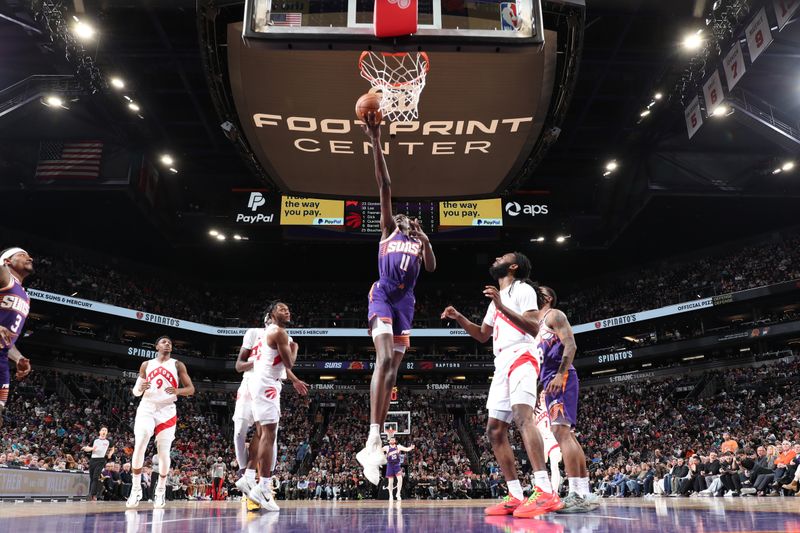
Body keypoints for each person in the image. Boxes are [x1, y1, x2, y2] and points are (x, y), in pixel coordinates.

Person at [441, 252, 560, 519]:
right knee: (494, 430)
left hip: (523, 355)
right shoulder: (496, 299)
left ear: (514, 266)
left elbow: (532, 328)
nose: (496, 258)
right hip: (502, 361)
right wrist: (459, 317)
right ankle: (515, 495)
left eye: (503, 257)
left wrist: (501, 305)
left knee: (522, 417)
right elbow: (482, 335)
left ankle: (544, 490)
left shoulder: (524, 289)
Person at [357, 111, 436, 486]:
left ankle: (372, 444)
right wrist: (375, 138)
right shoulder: (388, 231)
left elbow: (433, 268)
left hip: (407, 303)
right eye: (401, 217)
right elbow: (385, 184)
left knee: (392, 374)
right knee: (385, 358)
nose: (403, 218)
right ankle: (373, 437)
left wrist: (425, 238)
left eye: (408, 219)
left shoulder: (419, 245)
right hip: (383, 294)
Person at [535, 285, 598, 513]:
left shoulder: (554, 315)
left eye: (539, 290)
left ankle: (575, 494)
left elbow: (570, 344)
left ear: (548, 297)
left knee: (562, 433)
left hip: (561, 378)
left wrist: (560, 374)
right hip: (550, 382)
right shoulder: (536, 325)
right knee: (566, 434)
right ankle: (584, 492)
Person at [127, 335, 195, 509]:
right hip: (147, 407)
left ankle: (160, 490)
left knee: (163, 452)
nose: (168, 344)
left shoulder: (177, 364)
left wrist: (178, 391)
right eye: (164, 342)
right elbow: (135, 391)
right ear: (156, 346)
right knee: (140, 444)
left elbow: (191, 389)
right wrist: (139, 388)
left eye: (170, 343)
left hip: (167, 410)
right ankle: (135, 489)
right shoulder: (146, 364)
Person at [247, 301, 299, 512]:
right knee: (269, 435)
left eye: (288, 308)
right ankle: (264, 486)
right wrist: (295, 348)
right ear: (271, 314)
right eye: (281, 308)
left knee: (263, 433)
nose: (286, 310)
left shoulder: (265, 332)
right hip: (267, 384)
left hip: (260, 382)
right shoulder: (278, 332)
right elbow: (289, 364)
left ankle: (254, 479)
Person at [0, 247, 34, 427]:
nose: (30, 258)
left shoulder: (26, 297)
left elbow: (8, 339)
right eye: (22, 255)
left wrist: (18, 357)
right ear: (7, 262)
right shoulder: (5, 277)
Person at [534, 392, 563, 494]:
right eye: (540, 394)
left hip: (552, 438)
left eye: (544, 394)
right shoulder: (535, 410)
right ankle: (542, 490)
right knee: (539, 467)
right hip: (541, 440)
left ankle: (554, 492)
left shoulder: (552, 406)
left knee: (554, 465)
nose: (542, 396)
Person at [82, 426, 115, 501]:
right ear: (100, 432)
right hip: (93, 459)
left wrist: (110, 454)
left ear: (106, 433)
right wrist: (92, 449)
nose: (104, 431)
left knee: (95, 477)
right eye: (103, 430)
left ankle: (91, 494)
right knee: (92, 477)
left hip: (101, 460)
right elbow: (87, 448)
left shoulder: (108, 441)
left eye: (105, 430)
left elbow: (112, 448)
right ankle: (93, 494)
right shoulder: (95, 440)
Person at [383, 434, 414, 501]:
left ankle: (398, 493)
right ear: (389, 441)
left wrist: (410, 448)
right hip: (390, 465)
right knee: (390, 482)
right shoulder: (386, 447)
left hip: (397, 465)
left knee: (400, 479)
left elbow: (406, 449)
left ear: (395, 441)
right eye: (391, 440)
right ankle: (390, 495)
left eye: (393, 440)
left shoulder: (398, 447)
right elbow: (378, 450)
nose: (392, 440)